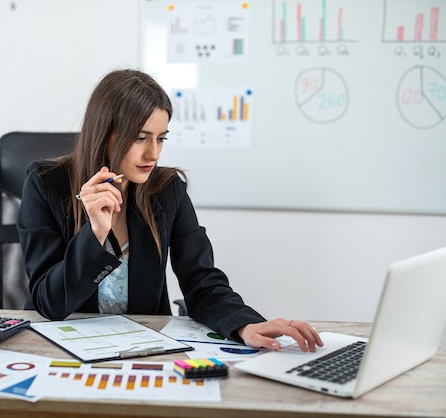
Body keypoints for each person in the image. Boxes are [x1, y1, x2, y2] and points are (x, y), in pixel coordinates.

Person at [17, 69, 323, 352]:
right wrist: (95, 232)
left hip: (145, 348)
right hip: (57, 348)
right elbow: (49, 302)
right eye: (140, 138)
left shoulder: (166, 190)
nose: (154, 153)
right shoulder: (47, 184)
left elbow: (201, 280)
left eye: (161, 138)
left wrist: (244, 324)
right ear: (106, 132)